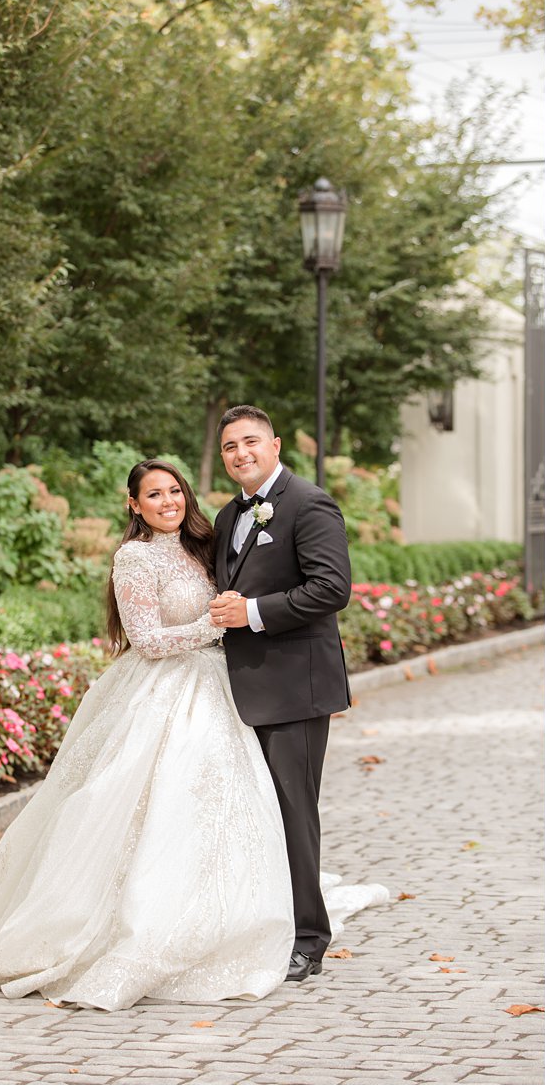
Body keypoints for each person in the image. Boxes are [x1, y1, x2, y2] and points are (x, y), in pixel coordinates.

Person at [0, 459, 383, 1009]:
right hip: (162, 692)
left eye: (173, 490)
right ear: (134, 505)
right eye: (153, 494)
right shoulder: (133, 557)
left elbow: (280, 586)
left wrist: (243, 620)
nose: (167, 501)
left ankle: (247, 914)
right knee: (140, 804)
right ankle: (133, 922)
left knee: (229, 808)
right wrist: (216, 623)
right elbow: (145, 639)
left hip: (224, 689)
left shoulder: (205, 542)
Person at [207, 405, 354, 983]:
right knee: (251, 814)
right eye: (229, 448)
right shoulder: (227, 516)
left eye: (250, 442)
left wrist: (254, 613)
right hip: (239, 690)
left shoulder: (308, 503)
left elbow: (331, 588)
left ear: (272, 445)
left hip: (297, 687)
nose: (240, 454)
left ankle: (309, 939)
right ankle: (261, 922)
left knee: (294, 813)